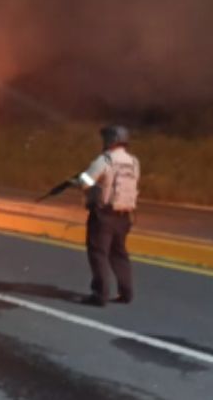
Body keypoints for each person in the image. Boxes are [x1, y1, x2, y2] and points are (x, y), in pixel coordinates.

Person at [71, 125, 140, 306]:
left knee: (98, 253)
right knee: (119, 254)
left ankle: (100, 295)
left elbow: (86, 182)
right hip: (125, 216)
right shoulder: (133, 162)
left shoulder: (104, 160)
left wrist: (78, 181)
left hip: (104, 215)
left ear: (111, 140)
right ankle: (126, 293)